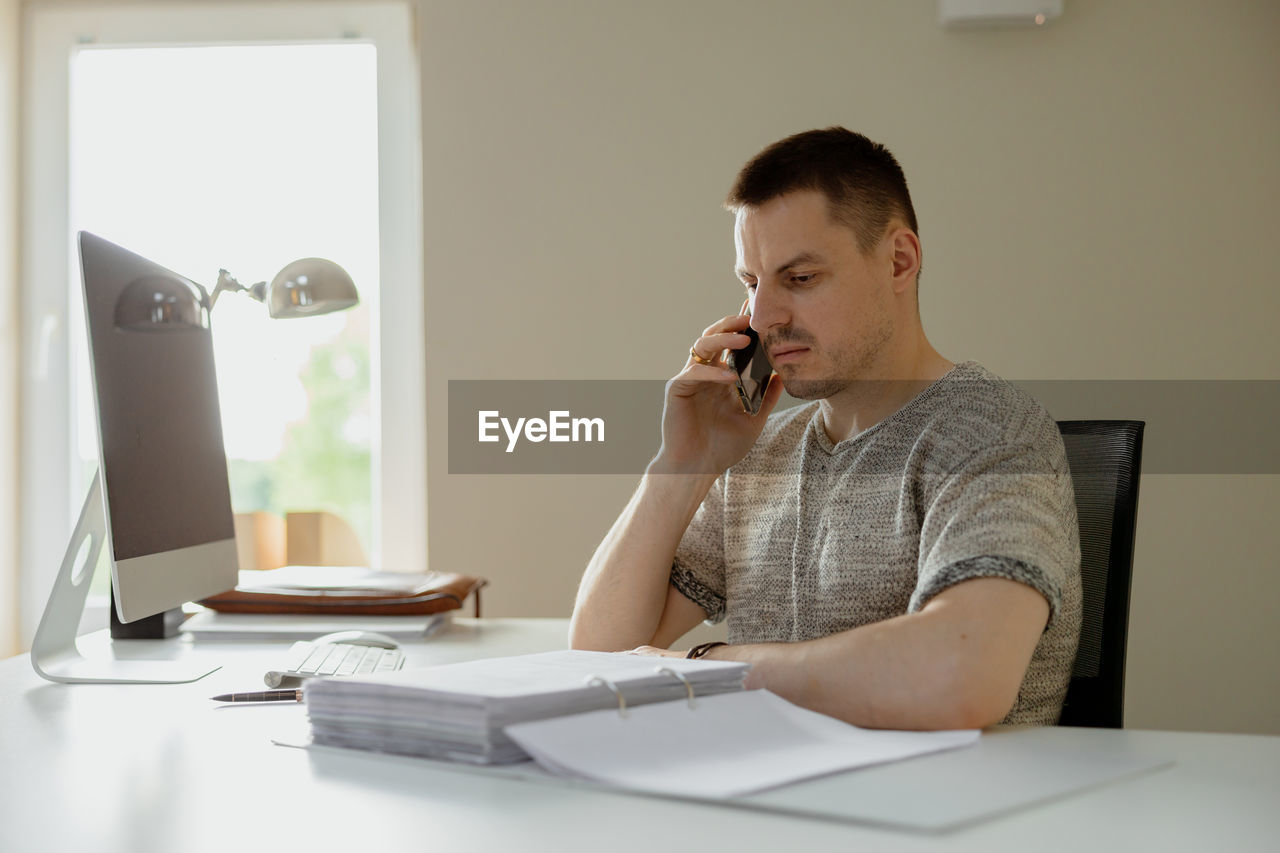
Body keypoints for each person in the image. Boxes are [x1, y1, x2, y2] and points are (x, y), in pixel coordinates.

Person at [569, 127, 1081, 729]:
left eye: (800, 278)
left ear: (899, 261)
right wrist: (685, 463)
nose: (763, 317)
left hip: (940, 813)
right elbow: (598, 656)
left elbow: (962, 676)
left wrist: (715, 667)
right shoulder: (763, 453)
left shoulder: (992, 432)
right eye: (752, 283)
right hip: (774, 802)